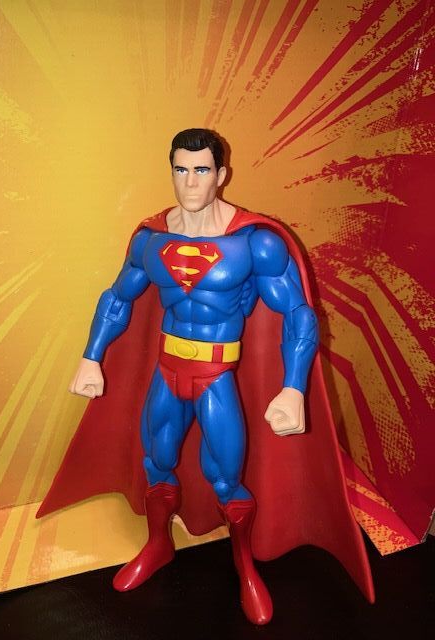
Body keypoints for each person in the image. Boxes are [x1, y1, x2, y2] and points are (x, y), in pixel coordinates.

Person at [67, 129, 318, 624]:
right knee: (157, 461)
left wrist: (294, 387)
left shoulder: (254, 244)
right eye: (181, 170)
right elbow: (117, 298)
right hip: (167, 371)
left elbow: (297, 313)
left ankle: (244, 565)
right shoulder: (151, 240)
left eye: (201, 170)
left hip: (216, 376)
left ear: (221, 174)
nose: (190, 182)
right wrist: (90, 355)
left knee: (226, 477)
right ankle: (159, 545)